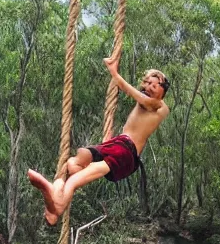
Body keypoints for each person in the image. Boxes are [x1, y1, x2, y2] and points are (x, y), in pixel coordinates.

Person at [28, 56, 170, 225]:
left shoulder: (160, 106)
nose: (147, 88)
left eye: (153, 85)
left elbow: (141, 98)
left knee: (75, 179)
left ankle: (58, 206)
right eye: (146, 83)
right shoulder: (148, 102)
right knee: (77, 159)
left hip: (127, 153)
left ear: (163, 89)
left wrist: (114, 74)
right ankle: (56, 196)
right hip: (118, 144)